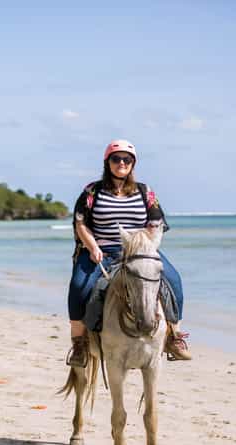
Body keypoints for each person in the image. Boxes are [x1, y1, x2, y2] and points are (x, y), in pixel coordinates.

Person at [66, 139, 191, 367]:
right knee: (78, 286)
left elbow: (156, 223)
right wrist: (93, 247)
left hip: (140, 250)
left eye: (127, 159)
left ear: (133, 163)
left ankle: (174, 336)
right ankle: (79, 344)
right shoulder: (92, 191)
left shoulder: (145, 191)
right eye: (116, 159)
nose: (121, 163)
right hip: (101, 250)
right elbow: (80, 223)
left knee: (174, 281)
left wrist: (148, 247)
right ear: (108, 162)